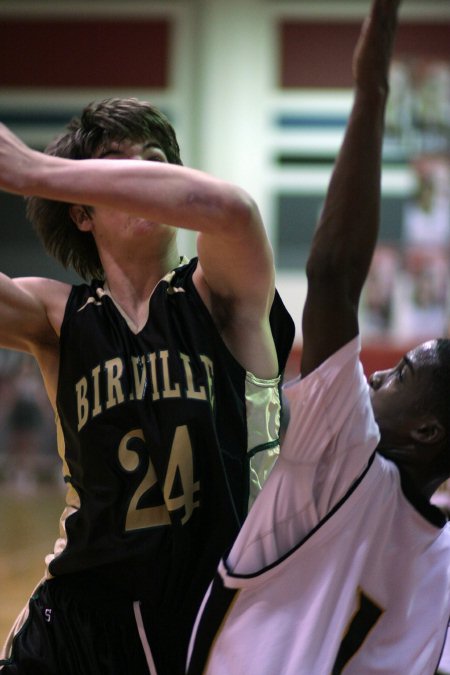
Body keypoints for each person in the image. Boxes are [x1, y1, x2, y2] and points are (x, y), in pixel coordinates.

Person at [186, 1, 450, 674]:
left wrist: (372, 84)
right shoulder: (440, 559)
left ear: (425, 431)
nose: (374, 376)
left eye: (398, 375)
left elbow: (331, 275)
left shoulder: (346, 453)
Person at [0, 98, 295, 674]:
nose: (145, 175)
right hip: (82, 614)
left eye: (157, 163)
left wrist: (31, 171)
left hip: (222, 607)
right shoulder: (59, 316)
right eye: (117, 165)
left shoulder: (221, 292)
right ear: (81, 213)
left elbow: (233, 209)